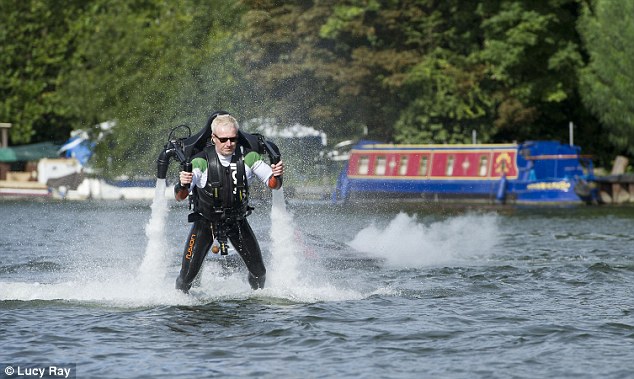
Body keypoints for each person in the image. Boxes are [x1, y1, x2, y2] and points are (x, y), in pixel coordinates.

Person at [173, 113, 284, 293]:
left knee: (259, 273)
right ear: (213, 138)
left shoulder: (249, 158)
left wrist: (277, 175)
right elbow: (180, 196)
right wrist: (183, 183)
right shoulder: (200, 162)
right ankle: (181, 305)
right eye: (223, 139)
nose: (229, 144)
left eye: (233, 139)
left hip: (237, 222)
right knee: (186, 277)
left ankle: (255, 301)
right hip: (205, 223)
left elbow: (274, 185)